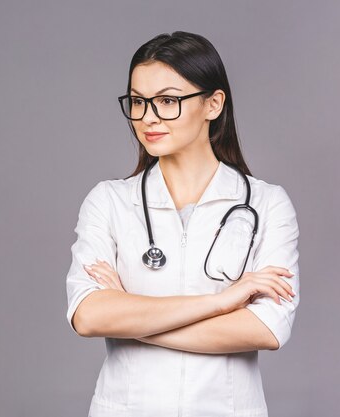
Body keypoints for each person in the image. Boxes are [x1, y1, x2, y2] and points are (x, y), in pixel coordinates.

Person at [65, 31, 300, 417]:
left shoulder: (267, 203)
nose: (148, 118)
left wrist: (129, 317)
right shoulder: (109, 201)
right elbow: (88, 316)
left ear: (213, 104)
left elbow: (265, 330)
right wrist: (220, 302)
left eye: (168, 101)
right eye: (138, 102)